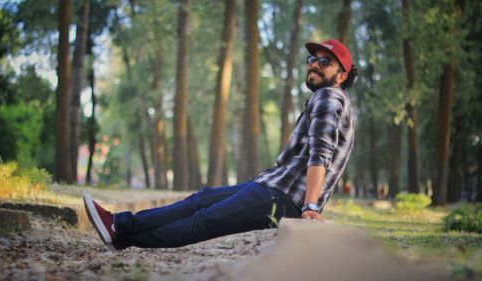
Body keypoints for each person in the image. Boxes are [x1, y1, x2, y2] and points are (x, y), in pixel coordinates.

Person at [83, 39, 357, 250]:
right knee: (199, 200)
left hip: (284, 197)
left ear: (341, 76)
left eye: (324, 62)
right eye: (312, 59)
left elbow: (321, 154)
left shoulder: (329, 97)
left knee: (202, 221)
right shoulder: (329, 100)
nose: (314, 65)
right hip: (270, 186)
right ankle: (119, 225)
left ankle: (124, 233)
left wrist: (310, 207)